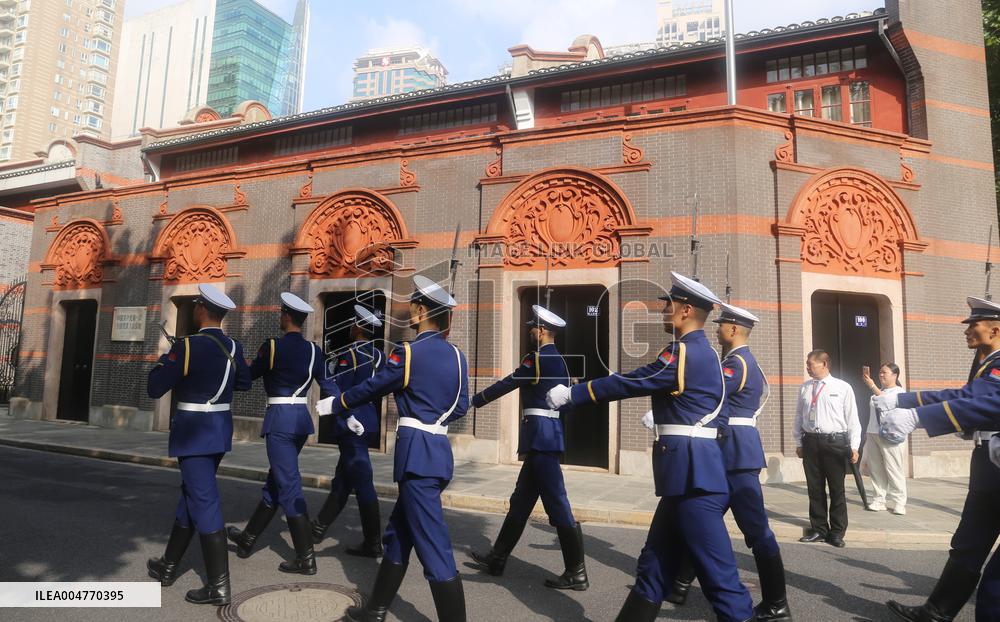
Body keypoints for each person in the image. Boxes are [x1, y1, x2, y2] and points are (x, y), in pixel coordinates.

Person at [546, 272, 754, 622]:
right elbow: (715, 414)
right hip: (687, 477)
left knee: (722, 582)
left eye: (668, 305)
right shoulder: (706, 355)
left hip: (694, 481)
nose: (663, 310)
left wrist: (574, 394)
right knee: (653, 568)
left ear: (686, 310)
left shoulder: (685, 352)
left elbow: (636, 380)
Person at [326, 275, 469, 622]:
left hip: (416, 457)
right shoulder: (458, 356)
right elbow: (461, 406)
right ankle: (376, 610)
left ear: (421, 312)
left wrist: (338, 402)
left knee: (434, 548)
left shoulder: (407, 352)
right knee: (397, 537)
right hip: (436, 450)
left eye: (412, 308)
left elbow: (374, 387)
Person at [665, 303, 791, 621]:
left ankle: (777, 603)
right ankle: (679, 583)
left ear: (733, 330)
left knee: (757, 531)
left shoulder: (736, 364)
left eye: (721, 324)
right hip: (729, 452)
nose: (717, 328)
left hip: (735, 454)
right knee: (700, 519)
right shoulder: (743, 362)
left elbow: (710, 391)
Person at [878, 296, 1000, 622]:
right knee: (968, 545)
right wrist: (903, 399)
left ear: (996, 329)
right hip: (989, 466)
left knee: (995, 585)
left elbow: (990, 402)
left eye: (973, 324)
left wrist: (914, 414)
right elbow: (967, 397)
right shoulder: (989, 362)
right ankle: (936, 613)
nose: (967, 330)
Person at [468, 304, 588, 590]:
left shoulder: (537, 359)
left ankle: (577, 571)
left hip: (540, 440)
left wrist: (476, 400)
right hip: (547, 438)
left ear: (542, 330)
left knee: (557, 503)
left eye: (533, 328)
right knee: (521, 501)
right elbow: (567, 405)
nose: (531, 332)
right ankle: (497, 558)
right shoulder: (560, 360)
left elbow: (510, 382)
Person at [146, 284, 252, 606]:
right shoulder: (233, 347)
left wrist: (167, 359)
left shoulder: (188, 346)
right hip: (218, 432)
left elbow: (155, 387)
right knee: (191, 496)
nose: (194, 309)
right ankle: (168, 566)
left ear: (203, 310)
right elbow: (245, 383)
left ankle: (219, 585)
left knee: (204, 501)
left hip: (194, 434)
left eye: (196, 305)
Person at [225, 293, 340, 575]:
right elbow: (329, 386)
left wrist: (232, 359)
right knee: (276, 483)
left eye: (281, 313)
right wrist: (346, 412)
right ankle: (248, 538)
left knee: (288, 485)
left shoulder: (273, 346)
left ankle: (305, 557)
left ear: (287, 316)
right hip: (301, 420)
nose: (280, 317)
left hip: (280, 420)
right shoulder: (314, 351)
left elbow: (249, 376)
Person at [311, 304, 386, 557]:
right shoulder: (379, 356)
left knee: (363, 482)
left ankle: (374, 543)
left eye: (353, 324)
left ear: (358, 327)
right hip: (370, 421)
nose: (351, 327)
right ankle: (317, 529)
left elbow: (340, 392)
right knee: (342, 480)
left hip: (351, 421)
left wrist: (344, 414)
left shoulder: (350, 356)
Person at [794, 349, 861, 548]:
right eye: (807, 364)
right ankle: (819, 529)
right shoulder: (805, 388)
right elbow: (799, 416)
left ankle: (837, 532)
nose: (807, 367)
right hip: (811, 442)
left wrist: (855, 446)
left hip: (835, 443)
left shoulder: (842, 387)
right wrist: (798, 442)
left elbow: (853, 420)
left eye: (811, 364)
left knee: (836, 488)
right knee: (815, 488)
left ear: (824, 364)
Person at [861, 363, 907, 515]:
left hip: (891, 435)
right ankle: (879, 499)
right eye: (880, 372)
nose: (881, 375)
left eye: (884, 372)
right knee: (876, 469)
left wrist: (872, 385)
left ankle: (899, 502)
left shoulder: (899, 392)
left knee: (893, 469)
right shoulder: (877, 392)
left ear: (895, 375)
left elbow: (886, 403)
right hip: (873, 433)